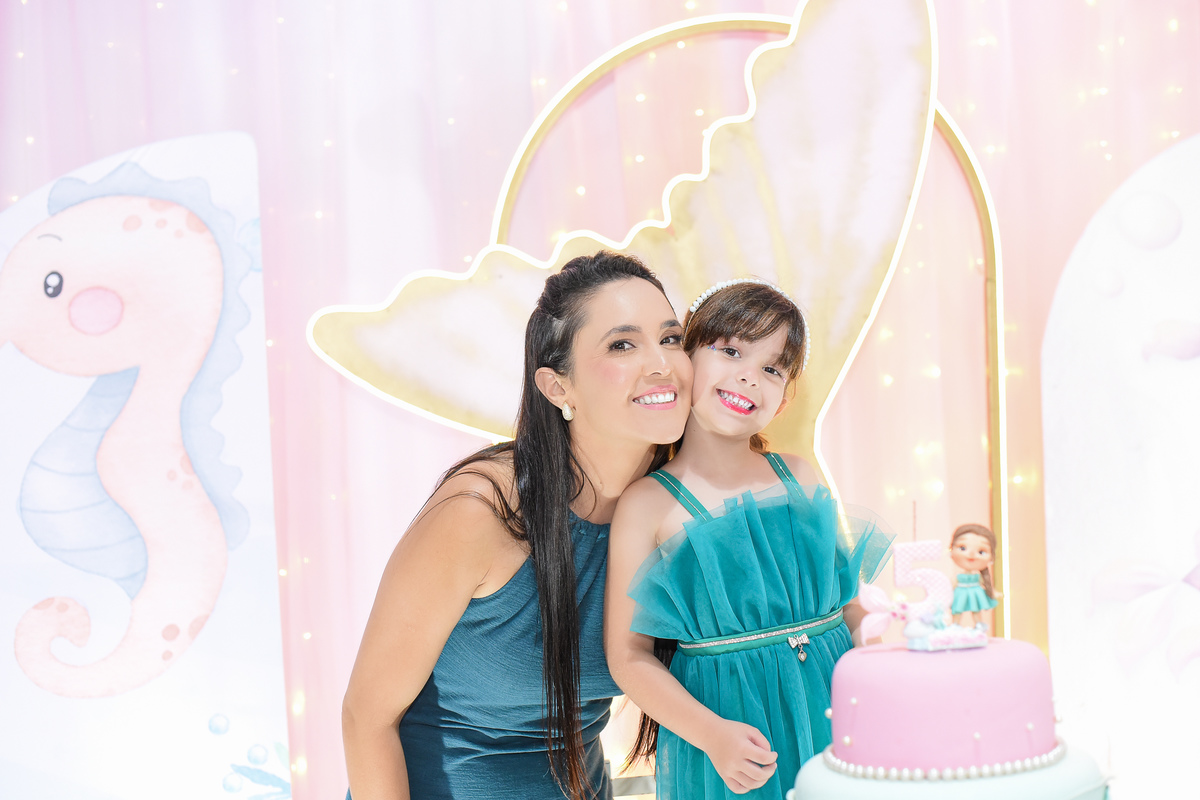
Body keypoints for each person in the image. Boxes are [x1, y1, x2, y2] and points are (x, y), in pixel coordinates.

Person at [341, 251, 694, 800]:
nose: (662, 363)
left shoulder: (674, 514)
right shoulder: (480, 514)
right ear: (557, 388)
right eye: (622, 345)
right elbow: (366, 718)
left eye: (671, 338)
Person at [604, 279, 894, 798]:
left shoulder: (799, 477)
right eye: (732, 351)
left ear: (784, 399)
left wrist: (882, 659)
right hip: (729, 735)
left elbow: (848, 605)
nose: (748, 377)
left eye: (772, 369)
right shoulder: (647, 504)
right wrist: (711, 736)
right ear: (686, 359)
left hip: (836, 714)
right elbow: (629, 657)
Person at [948, 523, 998, 629]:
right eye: (962, 548)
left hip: (975, 593)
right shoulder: (958, 577)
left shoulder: (978, 577)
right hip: (960, 593)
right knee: (957, 608)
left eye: (981, 552)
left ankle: (978, 624)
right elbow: (952, 585)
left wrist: (993, 592)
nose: (971, 554)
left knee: (976, 609)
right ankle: (955, 624)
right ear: (951, 549)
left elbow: (986, 584)